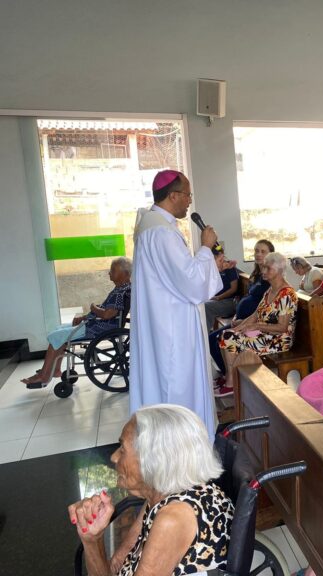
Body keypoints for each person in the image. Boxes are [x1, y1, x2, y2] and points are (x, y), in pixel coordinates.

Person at [67, 404, 233, 576]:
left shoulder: (173, 519)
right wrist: (92, 538)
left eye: (122, 449)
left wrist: (94, 543)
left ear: (153, 460)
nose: (114, 457)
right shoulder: (162, 494)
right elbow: (118, 565)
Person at [131, 170, 223, 440]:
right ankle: (183, 451)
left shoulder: (153, 225)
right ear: (173, 195)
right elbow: (192, 284)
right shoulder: (162, 233)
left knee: (163, 388)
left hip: (163, 323)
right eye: (187, 195)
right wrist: (206, 248)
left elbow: (178, 276)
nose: (189, 201)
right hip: (173, 331)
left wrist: (210, 263)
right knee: (177, 389)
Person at [22, 257, 132, 388]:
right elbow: (108, 312)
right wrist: (85, 316)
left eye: (113, 270)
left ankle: (44, 376)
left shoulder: (120, 292)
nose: (109, 272)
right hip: (97, 324)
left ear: (126, 274)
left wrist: (93, 307)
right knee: (59, 330)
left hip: (98, 327)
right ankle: (55, 369)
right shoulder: (123, 289)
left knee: (55, 337)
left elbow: (108, 314)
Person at [218, 253, 298, 397]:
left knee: (229, 339)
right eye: (263, 267)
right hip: (265, 335)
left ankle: (232, 382)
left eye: (267, 268)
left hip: (279, 340)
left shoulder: (287, 294)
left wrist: (256, 326)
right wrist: (238, 328)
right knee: (227, 334)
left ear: (279, 270)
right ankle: (233, 379)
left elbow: (282, 327)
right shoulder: (270, 290)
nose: (263, 271)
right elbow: (255, 315)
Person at [236, 239, 275, 319]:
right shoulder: (255, 274)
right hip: (241, 320)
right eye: (256, 251)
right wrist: (235, 317)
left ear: (271, 255)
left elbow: (269, 310)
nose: (258, 254)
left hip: (253, 324)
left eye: (263, 252)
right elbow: (248, 296)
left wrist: (243, 323)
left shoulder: (272, 278)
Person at [203, 245, 240, 331]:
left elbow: (233, 289)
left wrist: (218, 297)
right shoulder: (213, 269)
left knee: (206, 306)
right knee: (200, 305)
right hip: (217, 300)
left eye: (223, 258)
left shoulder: (230, 268)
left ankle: (206, 334)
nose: (223, 261)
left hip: (230, 301)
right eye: (220, 260)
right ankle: (204, 332)